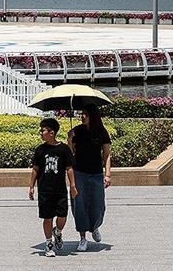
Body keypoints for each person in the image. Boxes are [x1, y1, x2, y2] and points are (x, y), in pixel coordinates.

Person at [28, 118, 78, 257]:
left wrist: (72, 186)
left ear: (52, 132)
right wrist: (31, 186)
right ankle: (49, 243)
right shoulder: (40, 150)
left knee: (62, 216)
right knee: (47, 217)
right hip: (44, 190)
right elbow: (35, 169)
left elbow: (69, 168)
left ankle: (58, 231)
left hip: (60, 190)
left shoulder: (64, 149)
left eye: (43, 130)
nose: (40, 133)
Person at [67, 106, 112, 251]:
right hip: (79, 172)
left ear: (93, 116)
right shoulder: (78, 131)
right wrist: (70, 138)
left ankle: (95, 226)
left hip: (96, 173)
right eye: (82, 114)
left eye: (86, 114)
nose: (83, 117)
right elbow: (70, 152)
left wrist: (108, 174)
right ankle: (82, 237)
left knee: (98, 204)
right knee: (79, 204)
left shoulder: (101, 132)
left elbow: (107, 155)